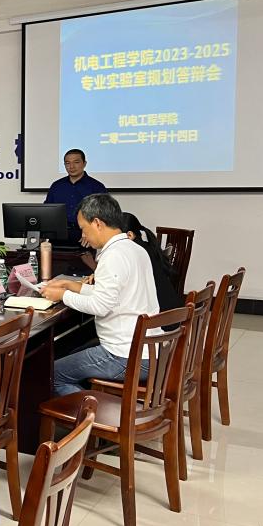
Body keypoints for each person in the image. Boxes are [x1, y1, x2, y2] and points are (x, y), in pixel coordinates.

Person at [41, 194, 159, 396]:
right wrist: (71, 286)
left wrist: (62, 295)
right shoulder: (135, 249)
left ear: (97, 223)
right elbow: (113, 294)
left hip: (125, 355)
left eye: (83, 228)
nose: (83, 235)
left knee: (52, 375)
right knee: (72, 352)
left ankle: (94, 412)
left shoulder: (113, 255)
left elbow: (100, 306)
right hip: (149, 349)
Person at [44, 149, 107, 245]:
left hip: (85, 236)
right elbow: (47, 211)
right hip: (58, 235)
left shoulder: (97, 187)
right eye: (67, 163)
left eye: (76, 162)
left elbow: (104, 214)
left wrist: (91, 231)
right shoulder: (56, 186)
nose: (71, 167)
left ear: (84, 164)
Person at [123, 212, 180, 313]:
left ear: (130, 235)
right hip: (172, 311)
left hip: (160, 316)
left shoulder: (136, 253)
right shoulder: (147, 246)